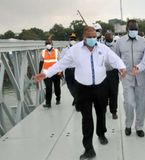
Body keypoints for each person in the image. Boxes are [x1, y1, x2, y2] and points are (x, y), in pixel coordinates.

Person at [33, 26, 127, 160]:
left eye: (94, 36)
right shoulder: (74, 50)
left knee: (101, 113)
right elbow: (61, 64)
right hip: (83, 89)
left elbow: (115, 59)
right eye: (89, 37)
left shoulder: (102, 48)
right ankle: (89, 149)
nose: (93, 39)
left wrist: (122, 67)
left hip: (101, 86)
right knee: (87, 119)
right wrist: (46, 73)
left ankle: (101, 133)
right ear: (84, 38)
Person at [114, 19, 145, 137]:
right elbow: (116, 58)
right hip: (126, 76)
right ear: (127, 29)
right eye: (131, 29)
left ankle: (139, 126)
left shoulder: (144, 42)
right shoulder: (120, 42)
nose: (134, 31)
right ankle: (128, 125)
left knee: (141, 103)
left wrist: (140, 67)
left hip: (141, 76)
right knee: (129, 102)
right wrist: (120, 69)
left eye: (136, 29)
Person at [40, 39, 61, 108]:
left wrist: (61, 72)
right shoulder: (43, 52)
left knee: (57, 87)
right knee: (48, 88)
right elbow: (41, 63)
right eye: (46, 43)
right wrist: (39, 72)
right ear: (45, 45)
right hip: (47, 73)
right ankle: (48, 103)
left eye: (49, 43)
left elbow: (60, 62)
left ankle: (58, 98)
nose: (48, 45)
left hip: (56, 73)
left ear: (52, 44)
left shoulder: (56, 51)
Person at [104, 31, 120, 119]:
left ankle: (114, 111)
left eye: (110, 37)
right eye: (107, 37)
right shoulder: (101, 47)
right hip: (103, 72)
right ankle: (104, 106)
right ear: (105, 38)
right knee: (104, 92)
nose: (109, 39)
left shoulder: (116, 47)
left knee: (114, 92)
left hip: (113, 72)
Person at [60, 33, 77, 107]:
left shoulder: (79, 49)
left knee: (77, 86)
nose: (72, 40)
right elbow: (61, 60)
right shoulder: (65, 50)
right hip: (68, 70)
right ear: (69, 40)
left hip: (77, 70)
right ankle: (76, 98)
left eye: (74, 39)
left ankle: (77, 100)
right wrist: (60, 71)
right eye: (71, 39)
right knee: (70, 86)